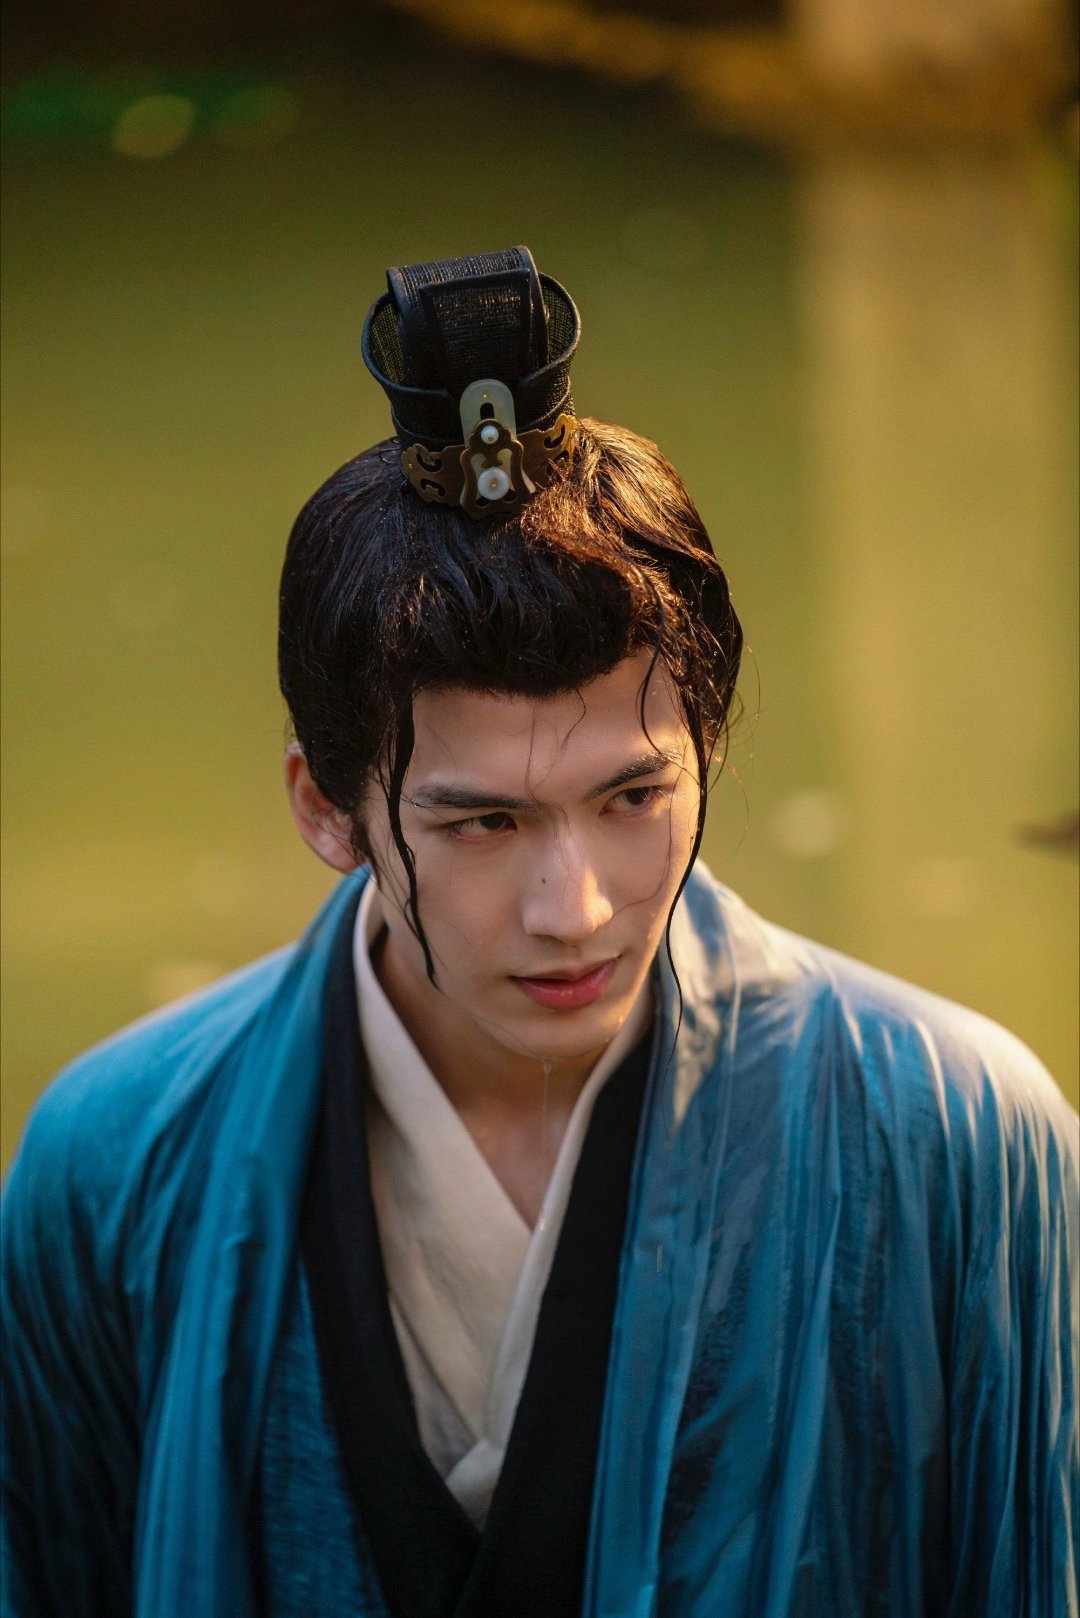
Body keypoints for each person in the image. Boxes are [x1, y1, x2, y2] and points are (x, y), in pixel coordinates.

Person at [2, 246, 1076, 1618]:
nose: (576, 909)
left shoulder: (958, 1131)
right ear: (325, 807)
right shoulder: (115, 1161)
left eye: (633, 797)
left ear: (709, 751)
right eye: (483, 822)